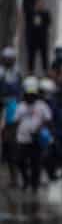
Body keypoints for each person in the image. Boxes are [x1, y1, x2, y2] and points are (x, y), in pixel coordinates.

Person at [14, 77, 53, 192]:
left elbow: (48, 119)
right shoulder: (21, 106)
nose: (30, 97)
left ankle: (34, 185)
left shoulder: (41, 105)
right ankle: (26, 180)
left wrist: (39, 128)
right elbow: (16, 120)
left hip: (36, 139)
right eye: (28, 95)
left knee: (35, 163)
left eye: (33, 95)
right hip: (23, 139)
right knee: (20, 161)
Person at [1, 48, 23, 186]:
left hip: (12, 113)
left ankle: (15, 175)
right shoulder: (1, 73)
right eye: (6, 58)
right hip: (3, 109)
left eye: (11, 59)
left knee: (12, 146)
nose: (9, 61)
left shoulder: (18, 73)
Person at [25, 0, 52, 75]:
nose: (39, 6)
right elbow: (28, 24)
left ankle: (46, 69)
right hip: (33, 38)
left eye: (41, 5)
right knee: (31, 55)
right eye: (38, 5)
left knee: (44, 55)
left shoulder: (45, 13)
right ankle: (30, 70)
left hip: (42, 38)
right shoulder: (31, 13)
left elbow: (48, 23)